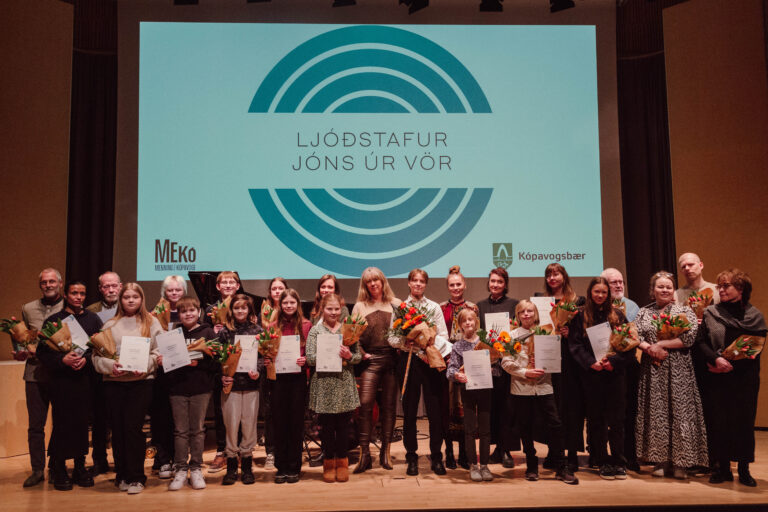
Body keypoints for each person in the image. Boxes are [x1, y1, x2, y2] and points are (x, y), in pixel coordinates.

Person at [696, 269, 766, 487]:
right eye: (720, 286)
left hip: (744, 379)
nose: (721, 290)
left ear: (741, 288)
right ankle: (722, 468)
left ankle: (744, 469)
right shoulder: (711, 312)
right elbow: (700, 342)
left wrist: (729, 366)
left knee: (743, 423)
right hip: (717, 378)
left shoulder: (755, 317)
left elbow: (755, 349)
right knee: (719, 422)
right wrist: (716, 360)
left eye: (726, 285)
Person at [635, 271, 708, 479]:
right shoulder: (644, 312)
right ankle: (660, 460)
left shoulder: (684, 311)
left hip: (679, 370)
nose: (665, 290)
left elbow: (690, 338)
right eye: (660, 286)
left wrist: (661, 344)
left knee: (681, 413)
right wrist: (650, 348)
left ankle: (681, 463)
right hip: (653, 369)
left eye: (668, 286)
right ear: (652, 290)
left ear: (673, 290)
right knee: (656, 413)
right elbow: (635, 336)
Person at [92, 283, 163, 494]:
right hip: (114, 384)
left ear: (141, 299)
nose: (131, 300)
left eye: (135, 297)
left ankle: (136, 477)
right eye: (126, 297)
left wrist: (145, 365)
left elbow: (158, 352)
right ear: (120, 300)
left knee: (133, 429)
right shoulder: (109, 325)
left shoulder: (152, 322)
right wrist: (110, 367)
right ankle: (121, 474)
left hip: (141, 383)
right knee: (118, 430)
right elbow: (96, 357)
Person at [502, 300, 578, 484]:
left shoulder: (546, 333)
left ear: (535, 313)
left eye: (529, 311)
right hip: (521, 387)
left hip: (544, 386)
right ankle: (531, 465)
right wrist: (524, 372)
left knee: (555, 424)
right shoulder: (511, 336)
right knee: (525, 426)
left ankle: (561, 466)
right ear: (518, 315)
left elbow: (555, 358)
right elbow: (505, 362)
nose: (526, 314)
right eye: (522, 311)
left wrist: (545, 365)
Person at [36, 280, 102, 490]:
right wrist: (62, 360)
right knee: (62, 423)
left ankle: (80, 465)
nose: (78, 297)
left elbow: (100, 348)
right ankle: (59, 466)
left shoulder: (93, 319)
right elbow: (42, 352)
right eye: (74, 293)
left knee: (82, 424)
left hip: (84, 380)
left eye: (82, 293)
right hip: (61, 381)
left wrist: (86, 360)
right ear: (66, 295)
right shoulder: (54, 320)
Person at [567, 277, 633, 480]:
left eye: (604, 292)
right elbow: (575, 346)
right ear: (590, 293)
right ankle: (603, 461)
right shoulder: (580, 316)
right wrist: (590, 363)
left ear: (608, 294)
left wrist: (614, 361)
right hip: (592, 376)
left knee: (617, 421)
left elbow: (629, 344)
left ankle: (619, 461)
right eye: (597, 291)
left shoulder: (618, 315)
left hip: (615, 375)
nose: (600, 295)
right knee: (596, 421)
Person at [391, 269, 452, 476]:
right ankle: (411, 456)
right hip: (409, 360)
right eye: (414, 280)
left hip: (429, 360)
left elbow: (443, 335)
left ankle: (436, 455)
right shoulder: (401, 308)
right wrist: (405, 341)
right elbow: (391, 337)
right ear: (409, 283)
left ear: (425, 284)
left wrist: (429, 344)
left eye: (421, 281)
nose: (418, 284)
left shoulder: (433, 307)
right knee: (409, 411)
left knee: (435, 411)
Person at [163, 296, 217, 491]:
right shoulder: (172, 334)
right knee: (180, 431)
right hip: (177, 389)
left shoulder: (208, 332)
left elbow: (216, 362)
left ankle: (195, 468)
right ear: (179, 314)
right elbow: (168, 363)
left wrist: (198, 363)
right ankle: (180, 469)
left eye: (192, 310)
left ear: (199, 311)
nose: (188, 314)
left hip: (201, 389)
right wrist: (164, 361)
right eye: (184, 311)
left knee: (197, 430)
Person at [306, 293, 361, 483]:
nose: (333, 312)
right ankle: (329, 463)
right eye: (329, 309)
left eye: (337, 309)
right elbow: (310, 358)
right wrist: (324, 354)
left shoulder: (349, 329)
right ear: (322, 309)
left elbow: (358, 356)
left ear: (342, 309)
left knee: (344, 427)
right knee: (327, 428)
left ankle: (342, 463)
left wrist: (349, 356)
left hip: (343, 382)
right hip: (323, 384)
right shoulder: (315, 331)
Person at [17, 268, 64, 487]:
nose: (48, 285)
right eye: (44, 282)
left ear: (60, 284)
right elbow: (23, 339)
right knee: (36, 425)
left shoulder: (68, 307)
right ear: (40, 285)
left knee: (61, 423)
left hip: (60, 374)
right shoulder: (27, 308)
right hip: (34, 374)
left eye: (52, 281)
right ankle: (37, 469)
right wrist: (20, 351)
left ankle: (56, 466)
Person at [351, 267, 400, 473]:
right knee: (365, 405)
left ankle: (385, 452)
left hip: (391, 361)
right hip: (370, 362)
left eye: (376, 280)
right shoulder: (359, 306)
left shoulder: (395, 303)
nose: (373, 284)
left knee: (389, 407)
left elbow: (404, 333)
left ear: (382, 281)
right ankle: (365, 455)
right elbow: (352, 337)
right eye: (368, 281)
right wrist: (362, 353)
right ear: (365, 285)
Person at [538, 263, 586, 471]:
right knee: (551, 408)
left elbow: (585, 332)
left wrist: (571, 333)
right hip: (548, 359)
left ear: (564, 277)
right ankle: (554, 452)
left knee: (572, 408)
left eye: (556, 274)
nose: (552, 278)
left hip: (570, 361)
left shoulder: (577, 301)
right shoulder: (541, 302)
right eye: (549, 275)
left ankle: (572, 454)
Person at [267, 288, 312, 483]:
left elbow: (311, 353)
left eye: (292, 302)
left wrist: (305, 360)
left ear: (297, 304)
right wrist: (267, 359)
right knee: (279, 423)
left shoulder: (306, 325)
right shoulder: (271, 326)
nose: (288, 306)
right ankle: (281, 466)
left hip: (297, 378)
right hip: (277, 379)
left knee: (295, 423)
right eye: (285, 303)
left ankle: (294, 466)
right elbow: (266, 351)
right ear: (280, 305)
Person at [218, 294, 264, 486]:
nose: (240, 311)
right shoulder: (225, 332)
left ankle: (246, 466)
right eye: (236, 308)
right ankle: (230, 466)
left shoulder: (257, 331)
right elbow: (218, 358)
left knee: (249, 425)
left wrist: (258, 370)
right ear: (231, 310)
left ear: (249, 310)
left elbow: (262, 356)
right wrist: (222, 375)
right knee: (231, 425)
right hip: (231, 387)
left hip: (251, 386)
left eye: (244, 308)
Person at [476, 267, 519, 468]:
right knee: (490, 408)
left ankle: (506, 450)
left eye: (499, 282)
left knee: (507, 408)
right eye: (493, 281)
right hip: (488, 365)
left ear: (505, 284)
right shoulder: (480, 306)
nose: (495, 285)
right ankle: (494, 449)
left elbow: (517, 331)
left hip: (507, 364)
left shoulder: (514, 304)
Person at [601, 267, 641, 472]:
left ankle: (627, 455)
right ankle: (601, 456)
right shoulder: (597, 308)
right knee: (603, 416)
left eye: (620, 281)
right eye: (613, 282)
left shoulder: (632, 306)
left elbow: (635, 337)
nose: (618, 285)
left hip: (626, 366)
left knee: (627, 413)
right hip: (602, 367)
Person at [446, 309, 493, 482]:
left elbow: (498, 367)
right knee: (470, 428)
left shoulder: (486, 343)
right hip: (467, 390)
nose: (468, 323)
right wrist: (457, 375)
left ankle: (485, 465)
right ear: (460, 325)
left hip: (485, 390)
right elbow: (451, 369)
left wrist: (491, 370)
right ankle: (473, 464)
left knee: (485, 429)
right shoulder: (457, 346)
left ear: (476, 322)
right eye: (464, 321)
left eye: (471, 319)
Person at [149, 276, 189, 479]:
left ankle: (179, 458)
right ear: (164, 292)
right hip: (161, 373)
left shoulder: (189, 311)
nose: (174, 293)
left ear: (184, 291)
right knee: (160, 417)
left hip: (182, 373)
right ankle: (162, 459)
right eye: (170, 290)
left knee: (179, 419)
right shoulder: (153, 314)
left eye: (178, 290)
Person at [440, 266, 478, 470]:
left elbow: (477, 336)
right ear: (448, 287)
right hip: (447, 362)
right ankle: (448, 452)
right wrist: (447, 356)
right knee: (447, 408)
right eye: (452, 285)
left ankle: (464, 452)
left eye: (458, 284)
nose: (455, 288)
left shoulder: (473, 308)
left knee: (465, 408)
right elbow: (438, 335)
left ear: (464, 285)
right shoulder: (441, 307)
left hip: (468, 363)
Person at [203, 271, 241, 473]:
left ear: (238, 285)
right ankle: (221, 450)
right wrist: (213, 332)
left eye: (231, 282)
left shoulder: (243, 305)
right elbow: (203, 334)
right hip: (218, 365)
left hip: (240, 363)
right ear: (218, 287)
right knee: (220, 409)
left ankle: (239, 450)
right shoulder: (211, 310)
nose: (227, 285)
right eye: (224, 282)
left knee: (240, 409)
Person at [85, 271, 120, 473]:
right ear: (100, 289)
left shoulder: (130, 306)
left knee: (120, 420)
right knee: (99, 419)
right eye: (106, 286)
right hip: (99, 373)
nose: (111, 290)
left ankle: (121, 461)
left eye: (114, 285)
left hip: (124, 372)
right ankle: (99, 461)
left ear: (120, 286)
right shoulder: (91, 311)